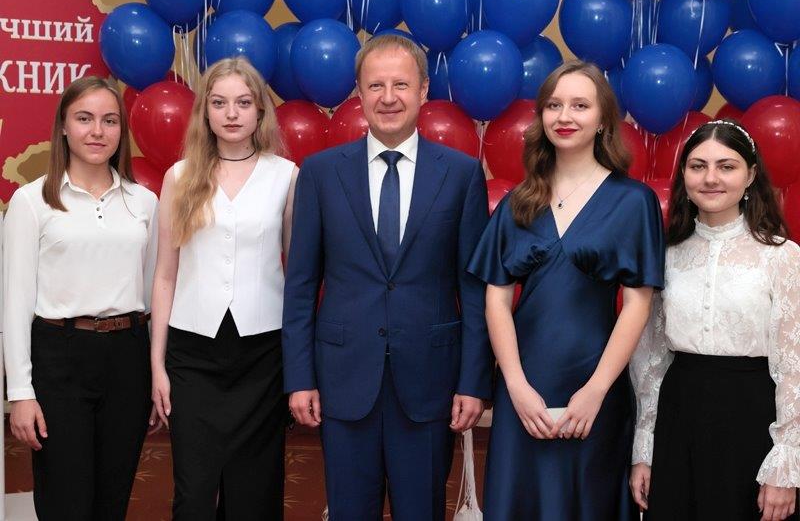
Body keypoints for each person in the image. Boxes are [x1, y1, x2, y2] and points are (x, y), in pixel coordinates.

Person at [282, 34, 493, 521]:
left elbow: (473, 289)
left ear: (423, 91)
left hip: (430, 381)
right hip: (343, 378)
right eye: (376, 85)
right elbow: (301, 285)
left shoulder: (461, 175)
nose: (388, 97)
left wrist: (473, 381)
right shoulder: (320, 173)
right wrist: (299, 378)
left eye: (401, 84)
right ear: (359, 92)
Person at [466, 60, 664, 520]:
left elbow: (638, 304)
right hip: (524, 388)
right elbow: (496, 299)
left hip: (596, 387)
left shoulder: (633, 201)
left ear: (603, 120)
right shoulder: (518, 202)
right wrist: (515, 386)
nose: (564, 116)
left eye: (579, 105)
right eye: (553, 105)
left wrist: (596, 390)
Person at [149, 57, 297, 521]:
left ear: (260, 111)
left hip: (263, 354)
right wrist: (157, 365)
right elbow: (165, 275)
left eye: (243, 103)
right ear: (205, 111)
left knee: (255, 491)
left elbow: (297, 274)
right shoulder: (179, 176)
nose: (231, 113)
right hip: (192, 353)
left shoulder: (286, 175)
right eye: (219, 103)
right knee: (194, 493)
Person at [3, 76, 158, 520]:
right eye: (84, 119)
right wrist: (20, 392)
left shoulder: (144, 202)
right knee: (65, 502)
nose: (97, 131)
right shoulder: (32, 201)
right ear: (64, 127)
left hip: (127, 359)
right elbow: (15, 303)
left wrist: (154, 373)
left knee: (113, 500)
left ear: (121, 131)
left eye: (110, 121)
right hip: (59, 358)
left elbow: (153, 293)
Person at [629, 119, 800, 521]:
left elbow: (794, 367)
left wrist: (786, 463)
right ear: (684, 175)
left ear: (750, 175)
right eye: (698, 166)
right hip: (678, 416)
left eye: (726, 166)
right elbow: (650, 359)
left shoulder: (782, 256)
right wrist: (644, 450)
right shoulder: (665, 255)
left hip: (753, 417)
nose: (710, 178)